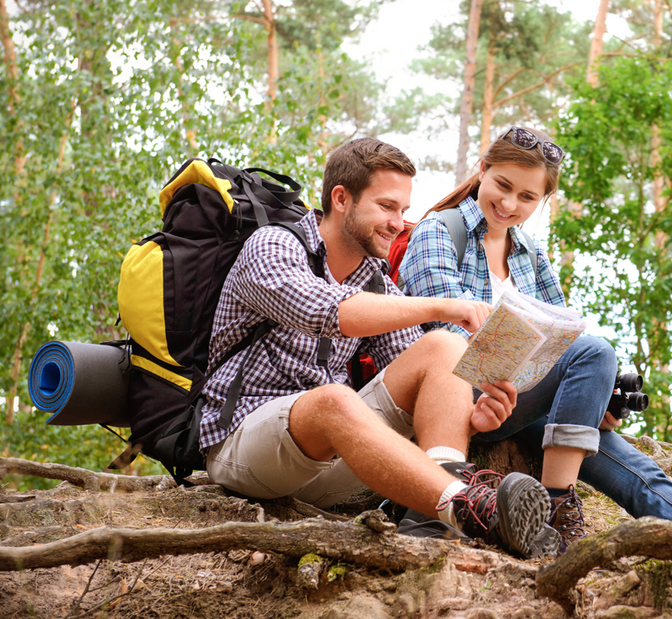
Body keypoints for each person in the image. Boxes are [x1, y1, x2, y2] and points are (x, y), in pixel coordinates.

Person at [401, 125, 672, 561]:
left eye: (527, 197)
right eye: (502, 185)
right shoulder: (440, 232)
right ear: (482, 169)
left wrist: (595, 398)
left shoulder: (531, 254)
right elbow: (445, 341)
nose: (509, 202)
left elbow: (561, 334)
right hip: (463, 403)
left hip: (522, 400)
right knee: (595, 351)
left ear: (543, 201)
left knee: (628, 460)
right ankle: (557, 511)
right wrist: (573, 375)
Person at [198, 137, 560, 559]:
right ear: (341, 199)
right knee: (333, 400)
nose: (398, 223)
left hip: (329, 460)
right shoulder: (274, 246)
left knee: (444, 346)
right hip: (244, 451)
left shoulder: (373, 278)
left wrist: (472, 418)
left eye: (404, 211)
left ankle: (432, 519)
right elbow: (326, 312)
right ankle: (469, 508)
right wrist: (442, 304)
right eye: (387, 207)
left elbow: (425, 377)